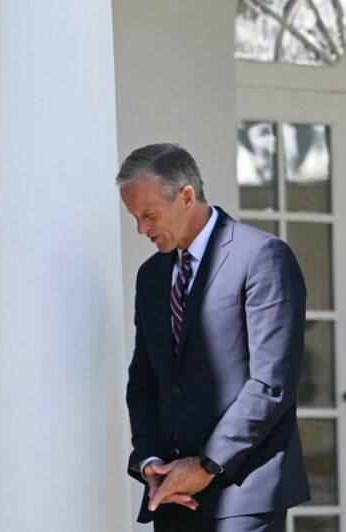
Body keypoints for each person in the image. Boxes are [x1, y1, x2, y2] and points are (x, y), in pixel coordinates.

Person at [119, 143, 310, 531]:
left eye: (149, 214)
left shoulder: (262, 257)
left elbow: (270, 383)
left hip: (243, 493)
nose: (142, 228)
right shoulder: (151, 276)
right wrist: (149, 460)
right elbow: (144, 381)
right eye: (135, 218)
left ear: (186, 196)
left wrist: (207, 463)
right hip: (172, 497)